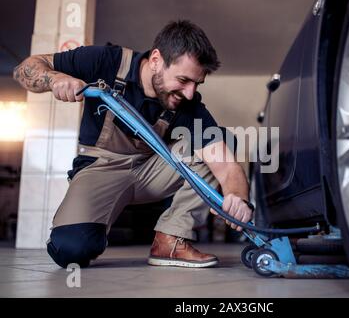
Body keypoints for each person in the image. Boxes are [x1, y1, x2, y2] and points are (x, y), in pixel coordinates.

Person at [13, 20, 253, 269]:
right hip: (101, 169)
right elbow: (26, 68)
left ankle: (169, 239)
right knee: (71, 249)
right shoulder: (105, 61)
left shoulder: (188, 105)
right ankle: (89, 232)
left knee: (222, 138)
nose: (190, 93)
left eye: (196, 84)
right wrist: (54, 78)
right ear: (157, 59)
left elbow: (226, 167)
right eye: (183, 80)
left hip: (151, 172)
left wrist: (238, 198)